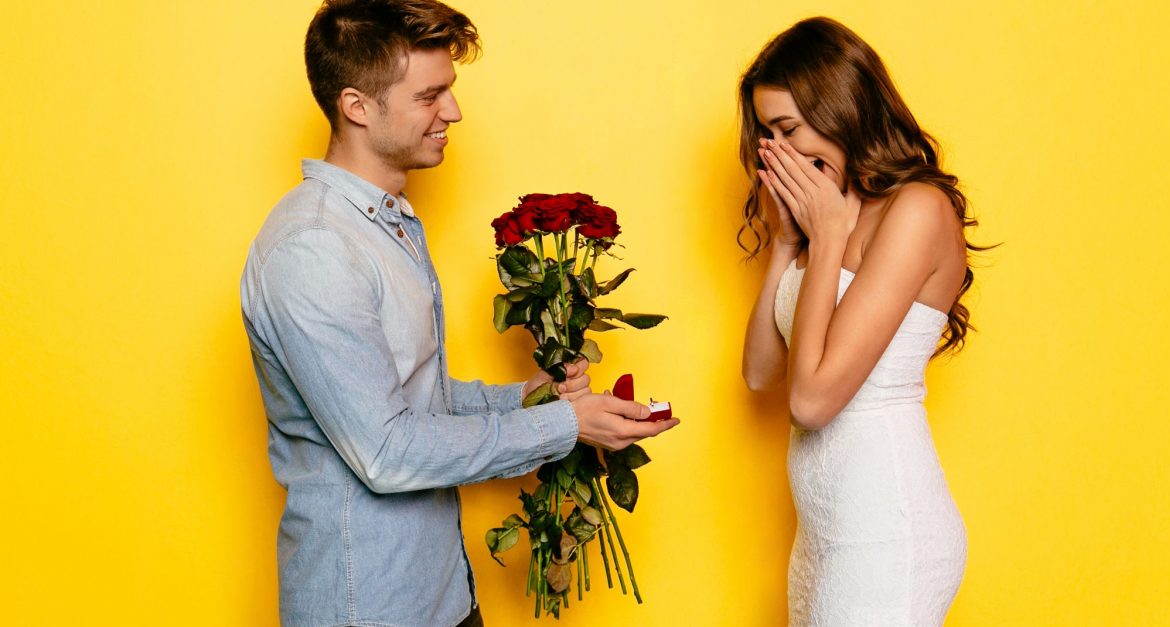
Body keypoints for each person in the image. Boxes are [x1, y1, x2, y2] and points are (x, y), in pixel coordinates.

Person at [239, 2, 678, 625]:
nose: (454, 112)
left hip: (440, 592)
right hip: (370, 606)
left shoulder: (385, 222)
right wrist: (565, 426)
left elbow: (412, 396)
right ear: (356, 106)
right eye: (429, 96)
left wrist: (529, 398)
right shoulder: (314, 248)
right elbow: (387, 449)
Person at [738, 17, 978, 625]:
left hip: (887, 535)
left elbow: (811, 402)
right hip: (825, 538)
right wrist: (787, 243)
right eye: (767, 133)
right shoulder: (829, 213)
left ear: (839, 107)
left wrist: (827, 237)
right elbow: (761, 373)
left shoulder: (916, 209)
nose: (777, 151)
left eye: (788, 129)